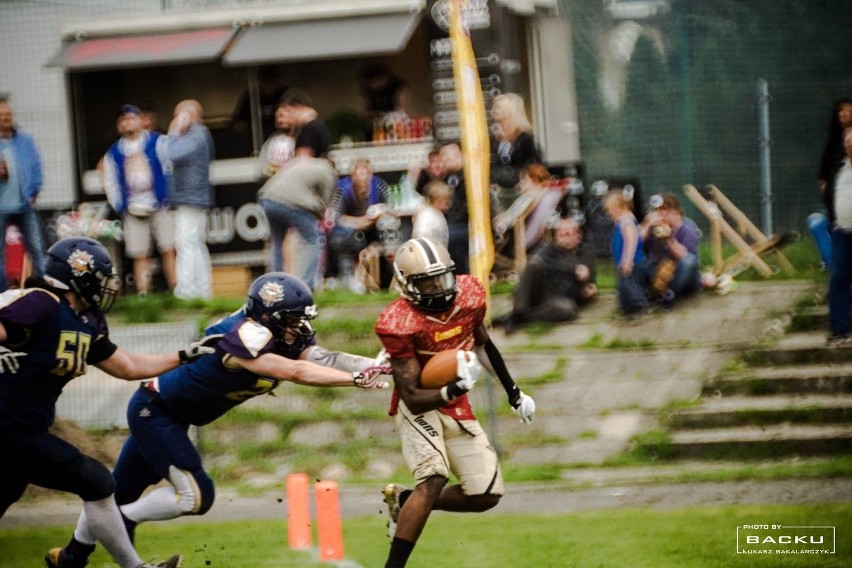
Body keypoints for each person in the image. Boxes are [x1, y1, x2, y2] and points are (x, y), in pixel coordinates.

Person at [47, 271, 390, 566]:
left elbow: (322, 357)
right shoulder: (243, 337)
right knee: (196, 496)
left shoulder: (275, 331)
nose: (300, 327)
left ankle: (71, 558)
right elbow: (298, 371)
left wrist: (372, 365)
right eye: (292, 320)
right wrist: (354, 380)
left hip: (169, 414)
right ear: (267, 317)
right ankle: (121, 521)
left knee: (116, 493)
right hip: (156, 411)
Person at [0, 237, 216, 568]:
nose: (104, 287)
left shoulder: (83, 321)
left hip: (25, 428)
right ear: (79, 275)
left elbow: (127, 367)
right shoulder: (40, 301)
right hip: (9, 428)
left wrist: (184, 355)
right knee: (96, 480)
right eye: (99, 278)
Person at [374, 237, 536, 568]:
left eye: (442, 278)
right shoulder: (398, 321)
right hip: (419, 402)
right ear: (406, 284)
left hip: (455, 401)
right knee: (433, 477)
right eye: (427, 282)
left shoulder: (470, 295)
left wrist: (514, 391)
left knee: (485, 495)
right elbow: (412, 396)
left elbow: (484, 345)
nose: (438, 288)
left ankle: (405, 500)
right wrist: (454, 388)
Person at [102, 104, 176, 295]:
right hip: (133, 208)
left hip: (160, 205)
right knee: (139, 253)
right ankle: (144, 293)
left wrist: (168, 195)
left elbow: (170, 167)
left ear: (140, 120)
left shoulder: (158, 142)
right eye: (123, 120)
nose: (127, 123)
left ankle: (177, 290)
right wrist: (119, 204)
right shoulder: (114, 152)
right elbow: (109, 181)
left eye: (131, 118)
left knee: (168, 248)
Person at [498, 217, 597, 334]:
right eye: (563, 234)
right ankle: (518, 311)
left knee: (567, 309)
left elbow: (589, 278)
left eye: (571, 234)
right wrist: (572, 268)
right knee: (532, 265)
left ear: (578, 235)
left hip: (561, 298)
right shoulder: (548, 250)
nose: (567, 238)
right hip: (542, 291)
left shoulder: (585, 253)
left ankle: (522, 318)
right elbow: (542, 262)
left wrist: (588, 286)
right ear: (556, 236)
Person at [258, 156, 337, 290]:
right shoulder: (328, 171)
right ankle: (307, 284)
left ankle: (275, 284)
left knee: (277, 242)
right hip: (290, 202)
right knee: (313, 238)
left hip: (267, 198)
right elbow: (326, 201)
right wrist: (320, 214)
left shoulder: (304, 162)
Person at [167, 99, 215, 300]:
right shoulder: (199, 135)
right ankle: (202, 290)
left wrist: (173, 132)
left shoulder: (195, 135)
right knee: (195, 243)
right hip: (193, 197)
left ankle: (187, 291)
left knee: (186, 243)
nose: (175, 119)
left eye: (178, 115)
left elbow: (172, 153)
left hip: (191, 197)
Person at [0, 98, 46, 292]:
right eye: (2, 116)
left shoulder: (25, 140)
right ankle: (2, 296)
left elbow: (36, 166)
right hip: (1, 206)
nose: (6, 118)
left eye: (8, 114)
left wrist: (35, 190)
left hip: (25, 204)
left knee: (38, 249)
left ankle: (47, 290)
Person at [327, 158, 389, 291]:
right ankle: (346, 278)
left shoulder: (379, 186)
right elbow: (337, 217)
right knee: (343, 237)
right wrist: (361, 222)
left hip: (373, 226)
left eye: (365, 173)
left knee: (385, 240)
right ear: (352, 175)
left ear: (370, 174)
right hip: (350, 228)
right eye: (358, 173)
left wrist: (379, 213)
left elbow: (390, 206)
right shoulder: (343, 189)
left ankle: (382, 281)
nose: (362, 178)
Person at [638, 193, 702, 307]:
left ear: (676, 211)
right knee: (638, 261)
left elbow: (685, 257)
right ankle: (649, 293)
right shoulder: (654, 226)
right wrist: (647, 224)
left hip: (682, 277)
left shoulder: (687, 227)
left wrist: (668, 238)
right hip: (659, 272)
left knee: (689, 261)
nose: (662, 216)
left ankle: (669, 295)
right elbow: (634, 243)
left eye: (666, 212)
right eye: (659, 211)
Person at [813, 98, 852, 271]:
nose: (845, 115)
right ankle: (832, 264)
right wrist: (824, 182)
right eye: (841, 111)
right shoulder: (833, 141)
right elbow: (825, 164)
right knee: (816, 222)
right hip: (836, 211)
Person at [602, 190, 648, 316]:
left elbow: (631, 241)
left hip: (633, 262)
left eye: (609, 210)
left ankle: (639, 304)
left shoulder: (627, 222)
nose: (609, 214)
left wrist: (628, 260)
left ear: (618, 208)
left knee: (629, 285)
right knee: (623, 286)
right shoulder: (622, 221)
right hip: (625, 262)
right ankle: (626, 306)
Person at [827, 128, 852, 346]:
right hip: (843, 231)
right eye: (847, 146)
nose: (849, 149)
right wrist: (833, 217)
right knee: (838, 279)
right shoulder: (841, 169)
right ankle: (840, 330)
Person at [489, 93, 542, 194]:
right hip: (501, 194)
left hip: (521, 193)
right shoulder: (496, 141)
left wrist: (496, 175)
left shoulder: (526, 140)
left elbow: (533, 169)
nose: (494, 111)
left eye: (499, 107)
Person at [438, 143, 470, 274]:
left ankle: (461, 275)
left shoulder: (470, 176)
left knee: (450, 236)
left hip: (468, 224)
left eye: (451, 156)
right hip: (452, 223)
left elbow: (467, 208)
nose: (447, 159)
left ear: (461, 155)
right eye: (444, 157)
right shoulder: (447, 178)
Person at [276, 89, 331, 158]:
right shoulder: (319, 125)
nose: (288, 116)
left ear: (297, 108)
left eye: (288, 111)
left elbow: (302, 161)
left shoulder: (309, 130)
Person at [257, 104, 296, 179]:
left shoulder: (300, 139)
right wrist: (269, 169)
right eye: (277, 118)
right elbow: (261, 165)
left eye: (282, 116)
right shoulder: (273, 140)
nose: (279, 120)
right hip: (275, 184)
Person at [411, 180, 451, 248]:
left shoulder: (437, 213)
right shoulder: (427, 217)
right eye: (445, 202)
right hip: (429, 251)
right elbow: (419, 235)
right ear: (436, 201)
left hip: (439, 249)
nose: (448, 204)